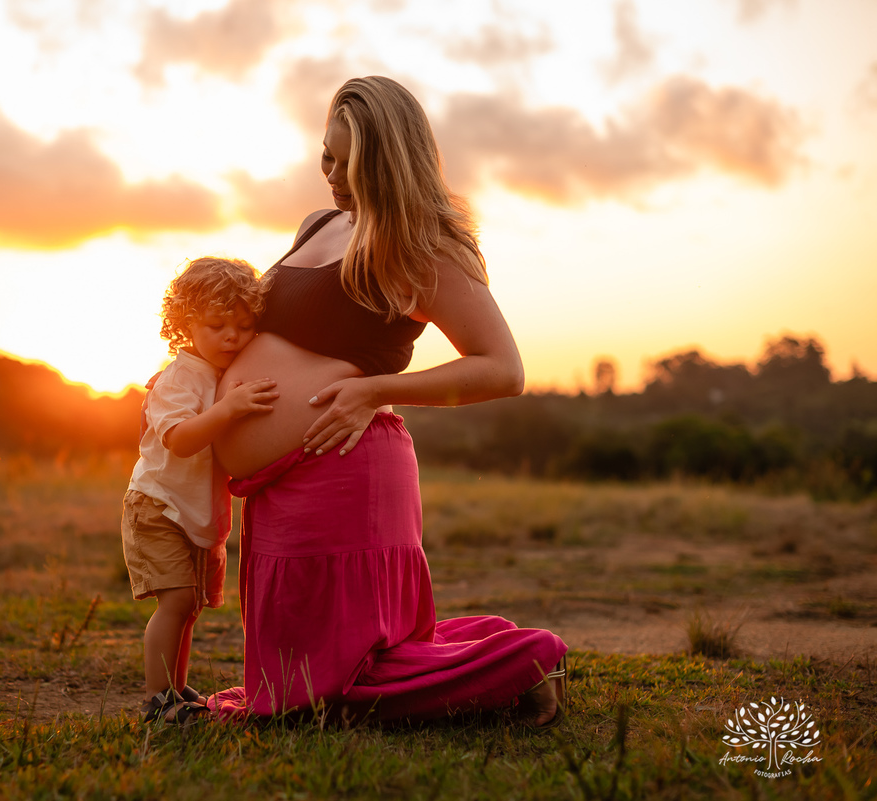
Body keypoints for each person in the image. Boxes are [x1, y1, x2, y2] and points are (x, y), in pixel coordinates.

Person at [208, 76, 568, 726]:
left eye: (353, 161)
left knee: (328, 692)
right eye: (328, 156)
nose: (335, 175)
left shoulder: (420, 243)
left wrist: (377, 389)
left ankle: (524, 663)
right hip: (277, 491)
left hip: (344, 470)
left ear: (393, 155)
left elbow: (503, 368)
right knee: (296, 682)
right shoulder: (318, 222)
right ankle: (485, 657)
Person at [122, 257, 278, 724]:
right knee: (174, 603)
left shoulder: (217, 374)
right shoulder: (179, 378)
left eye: (244, 326)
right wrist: (229, 409)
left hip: (197, 512)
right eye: (216, 325)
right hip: (159, 506)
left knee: (189, 606)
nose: (231, 335)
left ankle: (174, 686)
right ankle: (157, 699)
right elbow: (181, 438)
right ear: (185, 323)